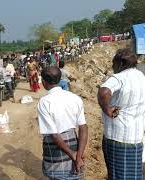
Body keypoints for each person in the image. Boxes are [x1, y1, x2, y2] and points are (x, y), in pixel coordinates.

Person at [97, 48, 145, 180]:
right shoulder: (140, 75)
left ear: (121, 64)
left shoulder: (119, 77)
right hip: (136, 137)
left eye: (114, 64)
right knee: (133, 175)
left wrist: (107, 109)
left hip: (118, 138)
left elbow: (103, 92)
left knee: (118, 175)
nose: (112, 67)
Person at [37, 66, 88, 180]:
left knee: (57, 176)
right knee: (74, 176)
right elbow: (83, 128)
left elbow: (54, 134)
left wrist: (72, 154)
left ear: (44, 82)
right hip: (73, 143)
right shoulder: (75, 98)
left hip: (56, 146)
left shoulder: (44, 102)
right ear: (60, 80)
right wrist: (78, 155)